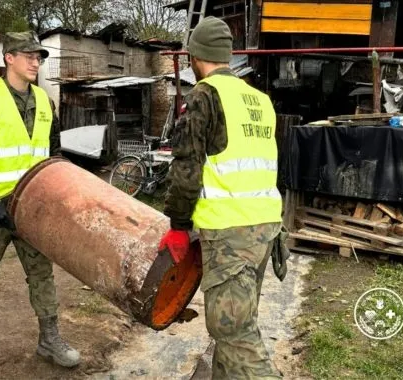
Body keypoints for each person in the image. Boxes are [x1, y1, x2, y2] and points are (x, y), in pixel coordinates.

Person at [158, 17, 284, 379]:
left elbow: (187, 169)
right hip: (265, 229)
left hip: (231, 234)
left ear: (196, 56)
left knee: (232, 331)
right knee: (238, 323)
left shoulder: (204, 96)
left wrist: (178, 227)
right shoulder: (260, 100)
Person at [0, 31, 80, 368]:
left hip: (33, 208)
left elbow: (53, 153)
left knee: (42, 273)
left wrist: (57, 193)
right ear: (8, 57)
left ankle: (49, 338)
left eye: (38, 56)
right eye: (28, 55)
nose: (35, 61)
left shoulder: (44, 100)